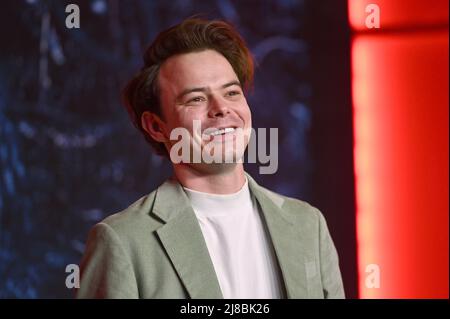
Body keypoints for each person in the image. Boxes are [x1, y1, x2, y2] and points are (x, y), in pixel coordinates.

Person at [76, 17, 345, 299]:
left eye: (231, 92)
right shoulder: (122, 242)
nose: (221, 109)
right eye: (196, 99)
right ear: (156, 126)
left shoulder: (307, 225)